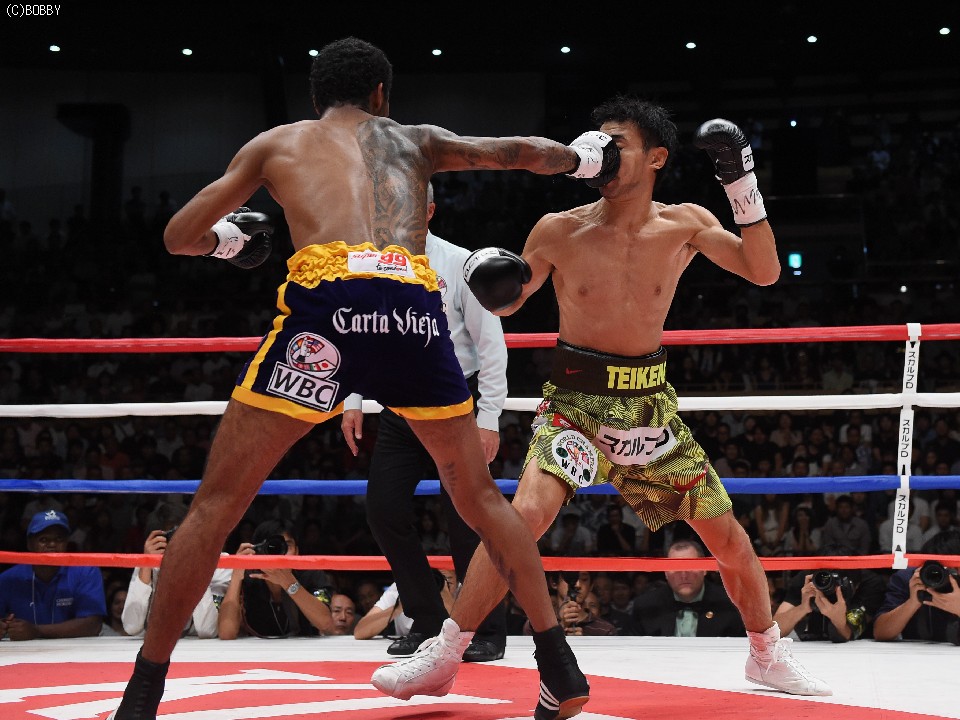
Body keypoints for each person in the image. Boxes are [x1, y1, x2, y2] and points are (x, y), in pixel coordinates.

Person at [105, 36, 616, 720]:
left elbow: (177, 236)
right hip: (412, 311)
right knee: (480, 501)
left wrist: (228, 242)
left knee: (217, 505)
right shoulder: (416, 140)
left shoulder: (277, 144)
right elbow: (519, 151)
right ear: (382, 95)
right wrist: (585, 159)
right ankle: (557, 664)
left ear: (316, 97)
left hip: (327, 313)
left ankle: (142, 694)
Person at [379, 97, 831, 699]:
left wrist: (740, 185)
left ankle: (766, 655)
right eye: (600, 140)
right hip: (576, 403)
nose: (604, 152)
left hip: (649, 408)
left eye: (619, 143)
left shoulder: (685, 223)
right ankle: (446, 654)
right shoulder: (558, 228)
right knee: (523, 518)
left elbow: (764, 270)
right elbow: (510, 302)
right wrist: (491, 280)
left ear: (657, 157)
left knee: (727, 538)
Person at [341, 181, 510, 660]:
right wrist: (352, 398)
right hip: (399, 405)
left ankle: (485, 629)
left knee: (468, 518)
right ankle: (427, 618)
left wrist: (489, 417)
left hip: (456, 404)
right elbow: (363, 335)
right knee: (384, 509)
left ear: (430, 210)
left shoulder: (460, 263)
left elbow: (491, 344)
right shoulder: (369, 263)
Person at [122, 503, 231, 638]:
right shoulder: (148, 565)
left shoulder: (219, 564)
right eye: (172, 536)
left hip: (202, 648)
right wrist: (147, 564)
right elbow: (131, 627)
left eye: (184, 535)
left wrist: (195, 567)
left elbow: (207, 630)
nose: (179, 544)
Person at [217, 520, 335, 639]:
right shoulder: (248, 578)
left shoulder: (311, 575)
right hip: (257, 648)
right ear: (257, 552)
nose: (280, 554)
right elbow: (226, 633)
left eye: (287, 546)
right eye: (272, 547)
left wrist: (289, 583)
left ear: (297, 552)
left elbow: (325, 623)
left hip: (304, 648)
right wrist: (236, 574)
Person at [0, 510, 105, 640]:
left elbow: (93, 625)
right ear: (29, 544)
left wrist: (36, 631)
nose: (52, 544)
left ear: (67, 542)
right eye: (43, 539)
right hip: (23, 650)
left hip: (75, 649)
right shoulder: (9, 578)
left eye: (59, 539)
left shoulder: (86, 571)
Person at [631, 539, 744, 637]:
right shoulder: (646, 606)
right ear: (665, 573)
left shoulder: (730, 605)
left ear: (705, 569)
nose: (684, 575)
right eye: (676, 568)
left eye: (691, 566)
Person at [873, 530, 960, 644]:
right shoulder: (911, 579)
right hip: (915, 651)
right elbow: (881, 633)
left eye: (952, 570)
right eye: (937, 568)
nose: (944, 576)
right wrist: (912, 602)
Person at [773, 566, 886, 642]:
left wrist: (838, 620)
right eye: (825, 579)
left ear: (856, 585)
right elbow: (774, 631)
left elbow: (848, 633)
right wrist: (803, 608)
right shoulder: (807, 581)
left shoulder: (870, 584)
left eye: (839, 583)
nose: (832, 587)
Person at [354, 569, 457, 640]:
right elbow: (360, 632)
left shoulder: (462, 590)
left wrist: (443, 592)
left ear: (457, 579)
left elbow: (460, 635)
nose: (432, 586)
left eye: (446, 579)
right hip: (408, 655)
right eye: (429, 580)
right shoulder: (400, 588)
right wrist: (400, 606)